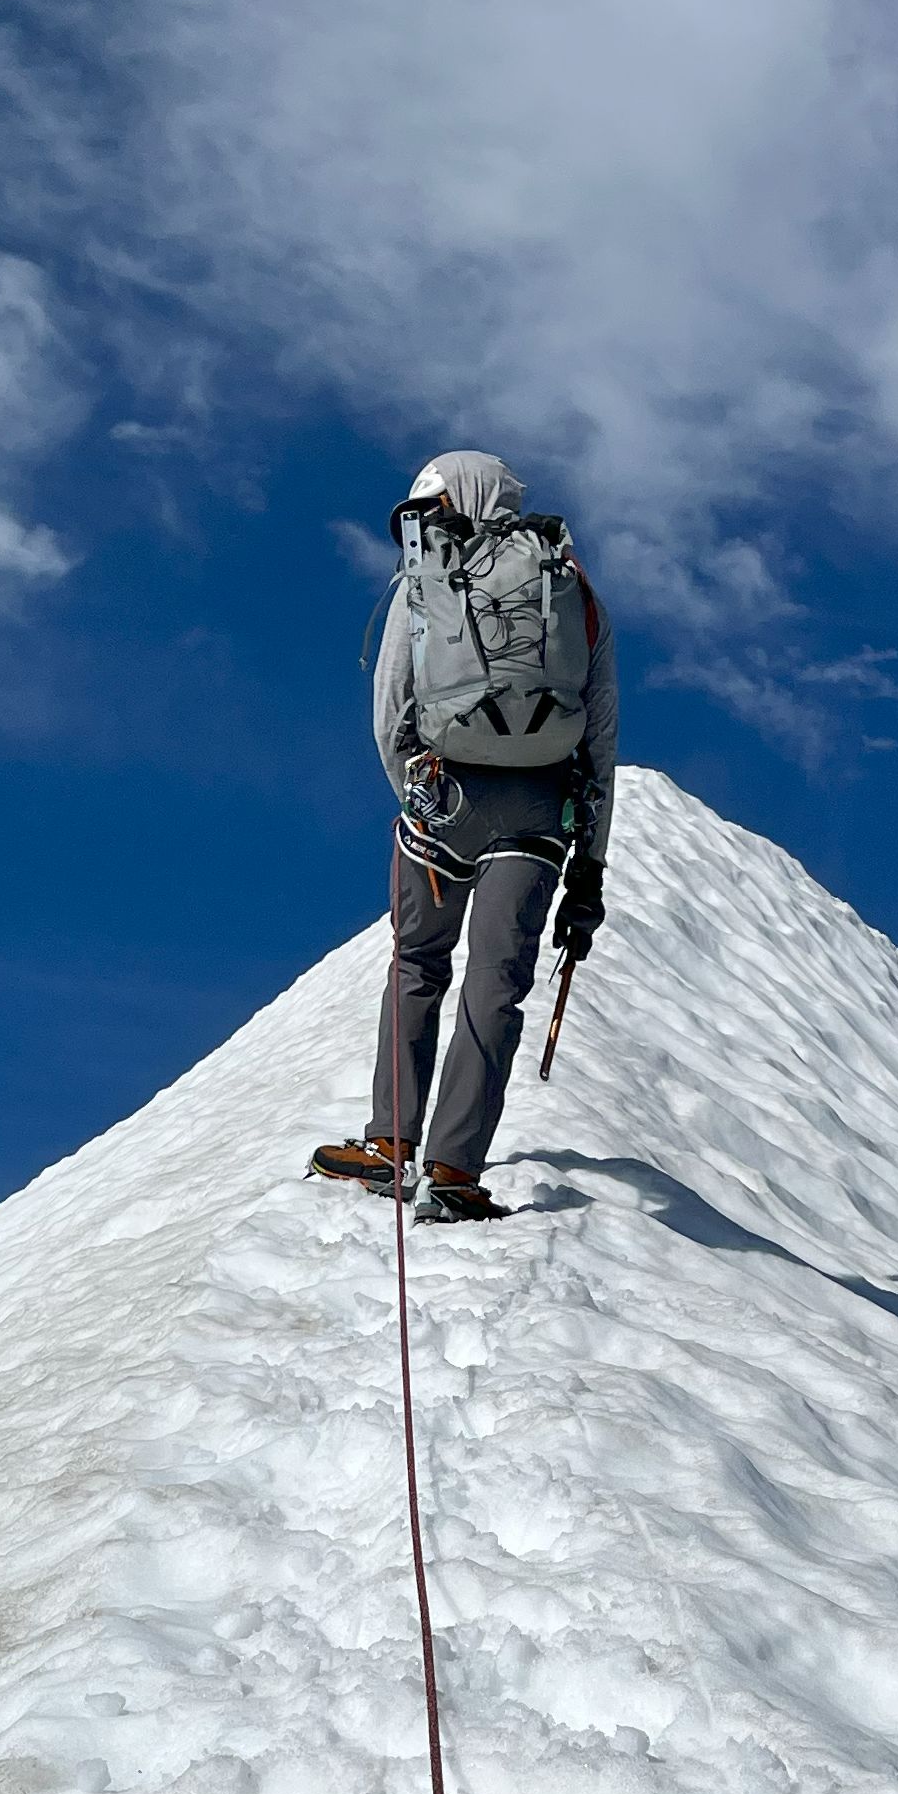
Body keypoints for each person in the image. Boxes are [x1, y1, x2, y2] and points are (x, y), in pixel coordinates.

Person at [309, 449, 615, 1223]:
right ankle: (454, 1167)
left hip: (443, 801)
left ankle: (389, 1144)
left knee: (417, 962)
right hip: (540, 812)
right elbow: (601, 736)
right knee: (497, 980)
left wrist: (419, 795)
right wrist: (590, 866)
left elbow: (391, 711)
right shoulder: (572, 589)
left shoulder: (426, 583)